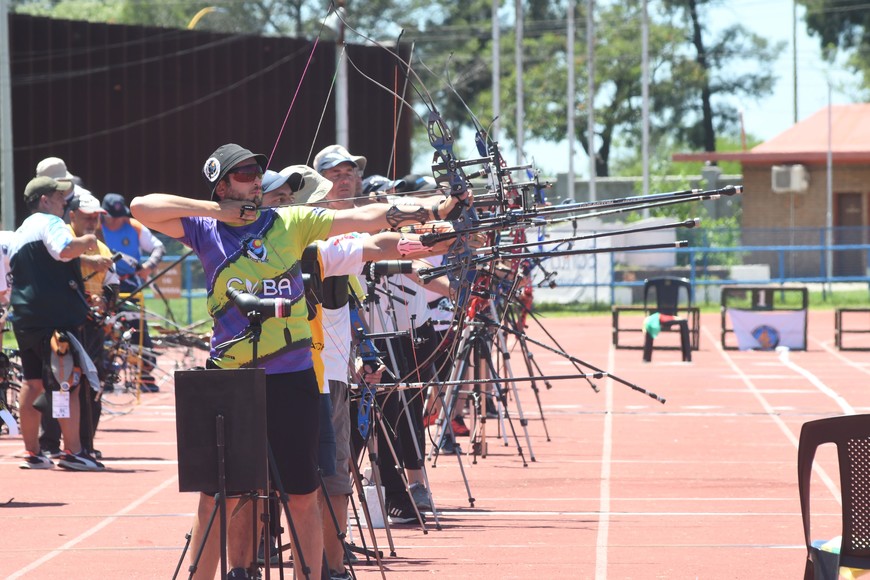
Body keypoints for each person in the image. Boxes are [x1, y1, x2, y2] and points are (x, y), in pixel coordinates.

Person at [130, 143, 465, 580]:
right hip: (231, 379)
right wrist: (218, 212)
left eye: (257, 172)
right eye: (246, 173)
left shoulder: (290, 221)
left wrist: (428, 208)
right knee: (218, 497)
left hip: (292, 376)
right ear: (224, 183)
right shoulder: (202, 228)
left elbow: (361, 218)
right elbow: (142, 206)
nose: (255, 179)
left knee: (303, 491)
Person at [9, 176, 104, 471]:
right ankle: (72, 451)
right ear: (44, 200)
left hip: (25, 319)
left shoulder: (21, 232)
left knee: (32, 382)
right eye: (59, 197)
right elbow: (63, 250)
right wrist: (88, 242)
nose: (64, 202)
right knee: (67, 385)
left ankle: (32, 452)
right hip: (54, 322)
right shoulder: (50, 223)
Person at [99, 193, 165, 391]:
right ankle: (107, 374)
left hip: (129, 285)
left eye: (121, 215)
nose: (119, 220)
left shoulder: (134, 226)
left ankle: (145, 373)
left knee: (138, 328)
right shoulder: (96, 226)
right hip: (103, 285)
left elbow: (158, 247)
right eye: (114, 216)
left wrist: (148, 266)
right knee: (104, 329)